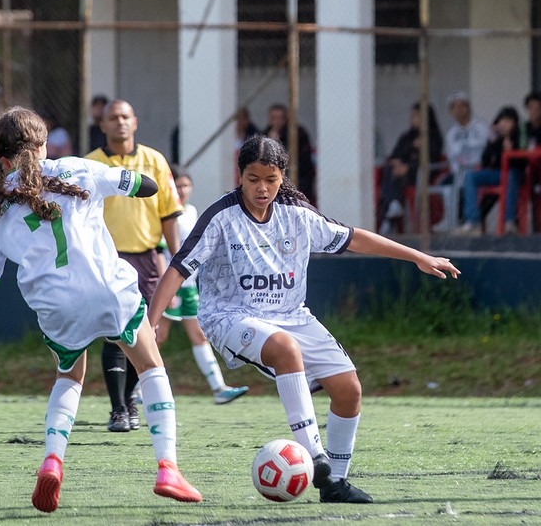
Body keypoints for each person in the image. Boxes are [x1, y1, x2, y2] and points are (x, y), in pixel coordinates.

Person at [148, 134, 460, 504]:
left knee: (349, 390)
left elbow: (354, 239)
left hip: (292, 315)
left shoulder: (297, 215)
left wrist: (418, 257)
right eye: (252, 179)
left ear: (282, 177)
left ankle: (335, 484)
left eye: (271, 180)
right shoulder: (221, 217)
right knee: (285, 349)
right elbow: (179, 269)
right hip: (231, 316)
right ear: (240, 176)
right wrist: (150, 323)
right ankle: (314, 456)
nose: (262, 188)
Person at [0, 105, 202, 513]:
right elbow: (147, 187)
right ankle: (167, 467)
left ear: (1, 157)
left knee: (69, 378)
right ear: (45, 143)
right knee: (151, 366)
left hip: (55, 304)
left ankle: (52, 460)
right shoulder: (79, 170)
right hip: (109, 289)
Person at [85, 99, 183, 432]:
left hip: (147, 260)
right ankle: (117, 410)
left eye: (125, 116)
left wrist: (180, 262)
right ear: (103, 125)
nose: (120, 123)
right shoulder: (89, 164)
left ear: (135, 122)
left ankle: (129, 400)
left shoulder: (154, 160)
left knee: (145, 334)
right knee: (115, 333)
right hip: (106, 261)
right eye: (113, 118)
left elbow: (169, 214)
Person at [156, 166, 249, 404]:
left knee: (198, 336)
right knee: (157, 337)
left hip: (189, 285)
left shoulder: (192, 211)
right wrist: (165, 288)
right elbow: (159, 251)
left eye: (186, 185)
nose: (183, 190)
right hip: (169, 285)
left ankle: (219, 388)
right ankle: (135, 389)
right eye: (178, 186)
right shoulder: (166, 213)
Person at [454, 106, 524, 236]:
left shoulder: (520, 136)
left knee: (510, 176)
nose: (504, 124)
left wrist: (511, 150)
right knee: (470, 176)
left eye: (508, 121)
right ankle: (473, 222)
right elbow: (485, 161)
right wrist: (492, 143)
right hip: (496, 174)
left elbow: (523, 163)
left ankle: (509, 222)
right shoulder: (495, 138)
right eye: (502, 121)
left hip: (513, 174)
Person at [377, 102, 444, 234]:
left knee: (395, 176)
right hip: (400, 173)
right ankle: (393, 207)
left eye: (416, 116)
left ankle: (389, 215)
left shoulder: (434, 137)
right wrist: (409, 150)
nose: (413, 119)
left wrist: (409, 168)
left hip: (421, 174)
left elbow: (433, 160)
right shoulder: (407, 136)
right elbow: (396, 154)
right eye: (412, 116)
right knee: (390, 170)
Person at [437, 91, 490, 232]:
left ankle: (470, 222)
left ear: (468, 107)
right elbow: (452, 156)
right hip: (458, 172)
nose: (459, 110)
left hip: (478, 170)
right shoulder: (452, 133)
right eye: (455, 107)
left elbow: (484, 150)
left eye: (462, 106)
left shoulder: (481, 127)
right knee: (443, 183)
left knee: (468, 180)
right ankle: (449, 219)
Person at [265, 103, 317, 205]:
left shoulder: (298, 133)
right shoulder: (266, 134)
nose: (276, 121)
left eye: (280, 118)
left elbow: (303, 161)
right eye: (273, 118)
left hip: (299, 178)